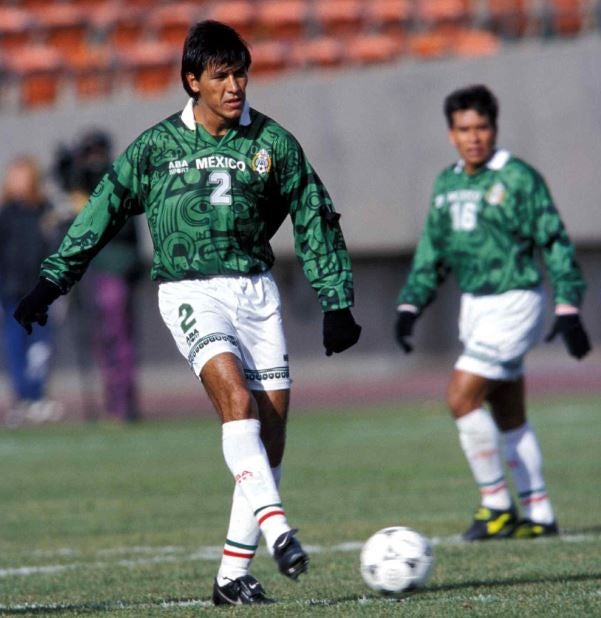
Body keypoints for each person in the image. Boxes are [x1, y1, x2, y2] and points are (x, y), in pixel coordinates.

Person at [14, 20, 361, 604]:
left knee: (269, 433)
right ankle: (279, 531)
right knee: (236, 401)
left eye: (240, 73)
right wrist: (52, 281)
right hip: (190, 292)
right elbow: (101, 211)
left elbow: (315, 215)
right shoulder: (155, 148)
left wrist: (337, 302)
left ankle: (230, 576)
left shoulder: (273, 144)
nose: (234, 86)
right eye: (220, 76)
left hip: (256, 293)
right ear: (191, 81)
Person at [395, 84, 591, 542]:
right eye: (464, 129)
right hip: (475, 308)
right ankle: (539, 511)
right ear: (451, 134)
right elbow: (433, 252)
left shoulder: (518, 177)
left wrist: (568, 305)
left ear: (494, 129)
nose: (474, 137)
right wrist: (410, 304)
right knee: (507, 410)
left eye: (481, 127)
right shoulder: (446, 183)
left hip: (515, 302)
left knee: (461, 397)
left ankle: (497, 505)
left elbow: (555, 240)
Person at [54, 130, 142, 422]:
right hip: (98, 268)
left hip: (115, 267)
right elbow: (70, 187)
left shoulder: (117, 180)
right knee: (104, 339)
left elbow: (119, 225)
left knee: (116, 337)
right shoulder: (92, 181)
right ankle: (114, 401)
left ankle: (122, 403)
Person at [0, 156, 63, 426]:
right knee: (15, 346)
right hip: (12, 293)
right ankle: (22, 398)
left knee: (39, 347)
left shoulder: (44, 212)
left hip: (39, 292)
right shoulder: (6, 214)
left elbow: (55, 247)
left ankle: (37, 397)